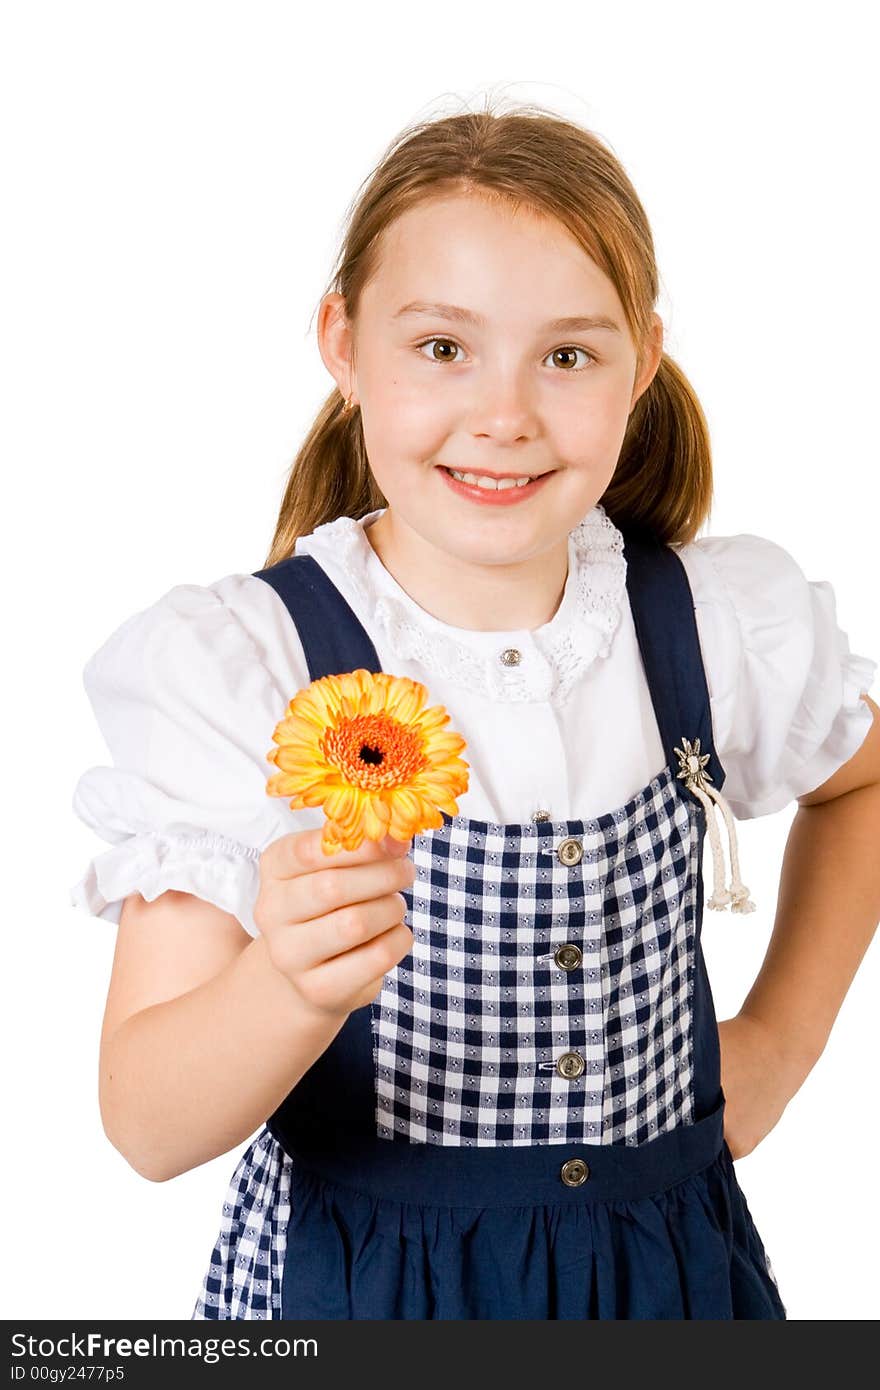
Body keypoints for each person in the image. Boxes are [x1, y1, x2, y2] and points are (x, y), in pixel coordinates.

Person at [70, 102, 880, 1321]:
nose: (503, 415)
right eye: (442, 347)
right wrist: (283, 986)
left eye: (566, 355)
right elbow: (145, 1122)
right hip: (364, 1290)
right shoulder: (242, 663)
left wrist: (779, 1040)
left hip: (668, 1279)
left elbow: (860, 779)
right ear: (343, 345)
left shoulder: (714, 624)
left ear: (641, 362)